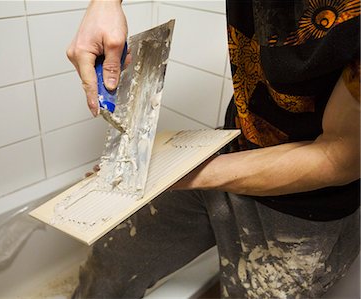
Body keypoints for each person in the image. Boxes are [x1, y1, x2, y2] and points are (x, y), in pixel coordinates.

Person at [66, 0, 360, 298]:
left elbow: (337, 156)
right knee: (111, 258)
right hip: (231, 145)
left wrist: (170, 172)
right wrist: (105, 5)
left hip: (308, 207)